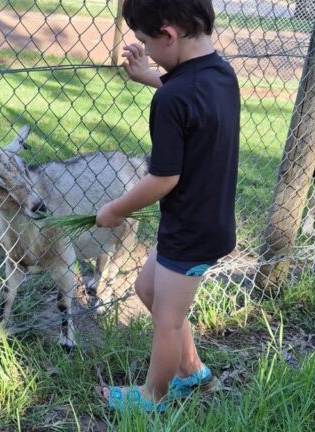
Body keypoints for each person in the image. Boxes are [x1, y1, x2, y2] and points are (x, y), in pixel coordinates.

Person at [95, 0, 240, 413]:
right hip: (204, 221)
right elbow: (195, 108)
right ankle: (192, 371)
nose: (146, 50)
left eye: (146, 42)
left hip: (190, 230)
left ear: (169, 34)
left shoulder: (173, 98)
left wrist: (116, 209)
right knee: (147, 290)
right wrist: (152, 78)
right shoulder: (221, 74)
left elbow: (163, 178)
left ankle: (152, 399)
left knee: (167, 321)